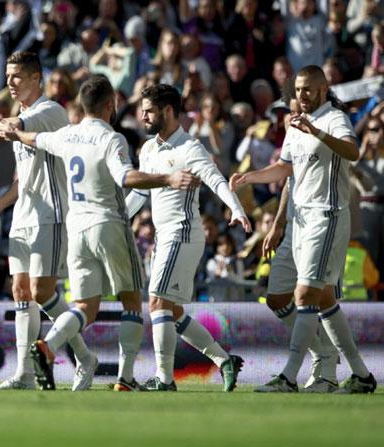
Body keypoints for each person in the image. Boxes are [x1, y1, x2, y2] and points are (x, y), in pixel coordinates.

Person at [7, 75, 202, 392]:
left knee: (85, 307)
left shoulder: (67, 135)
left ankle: (48, 345)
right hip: (108, 223)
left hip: (76, 228)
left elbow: (34, 139)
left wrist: (13, 131)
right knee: (131, 301)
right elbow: (126, 177)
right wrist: (167, 179)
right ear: (110, 105)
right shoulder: (112, 139)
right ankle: (124, 378)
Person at [230, 65, 377, 393]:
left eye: (308, 89)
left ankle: (289, 376)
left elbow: (352, 152)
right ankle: (358, 373)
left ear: (323, 90)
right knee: (282, 296)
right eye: (298, 90)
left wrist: (318, 133)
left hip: (326, 217)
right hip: (298, 222)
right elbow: (287, 170)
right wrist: (249, 177)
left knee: (306, 294)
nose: (302, 95)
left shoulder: (333, 119)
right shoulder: (296, 126)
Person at [0, 52, 97, 391]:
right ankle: (25, 374)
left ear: (35, 78)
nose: (9, 83)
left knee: (42, 291)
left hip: (51, 215)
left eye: (16, 77)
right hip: (24, 214)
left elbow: (11, 129)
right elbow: (21, 179)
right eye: (8, 76)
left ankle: (83, 358)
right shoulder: (24, 114)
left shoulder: (50, 111)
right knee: (21, 292)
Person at [125, 84, 250, 392]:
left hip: (182, 232)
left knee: (156, 301)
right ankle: (224, 361)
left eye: (149, 110)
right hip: (164, 236)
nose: (143, 116)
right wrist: (117, 217)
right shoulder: (150, 148)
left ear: (168, 111)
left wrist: (236, 208)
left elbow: (216, 180)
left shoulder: (190, 148)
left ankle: (164, 380)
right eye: (142, 110)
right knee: (173, 311)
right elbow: (141, 192)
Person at [260, 93, 341, 393]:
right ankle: (322, 351)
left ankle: (327, 372)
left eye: (291, 111)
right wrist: (279, 222)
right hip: (294, 227)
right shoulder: (292, 140)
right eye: (284, 112)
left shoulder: (322, 132)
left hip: (321, 224)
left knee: (320, 298)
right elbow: (290, 183)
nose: (286, 117)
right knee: (277, 298)